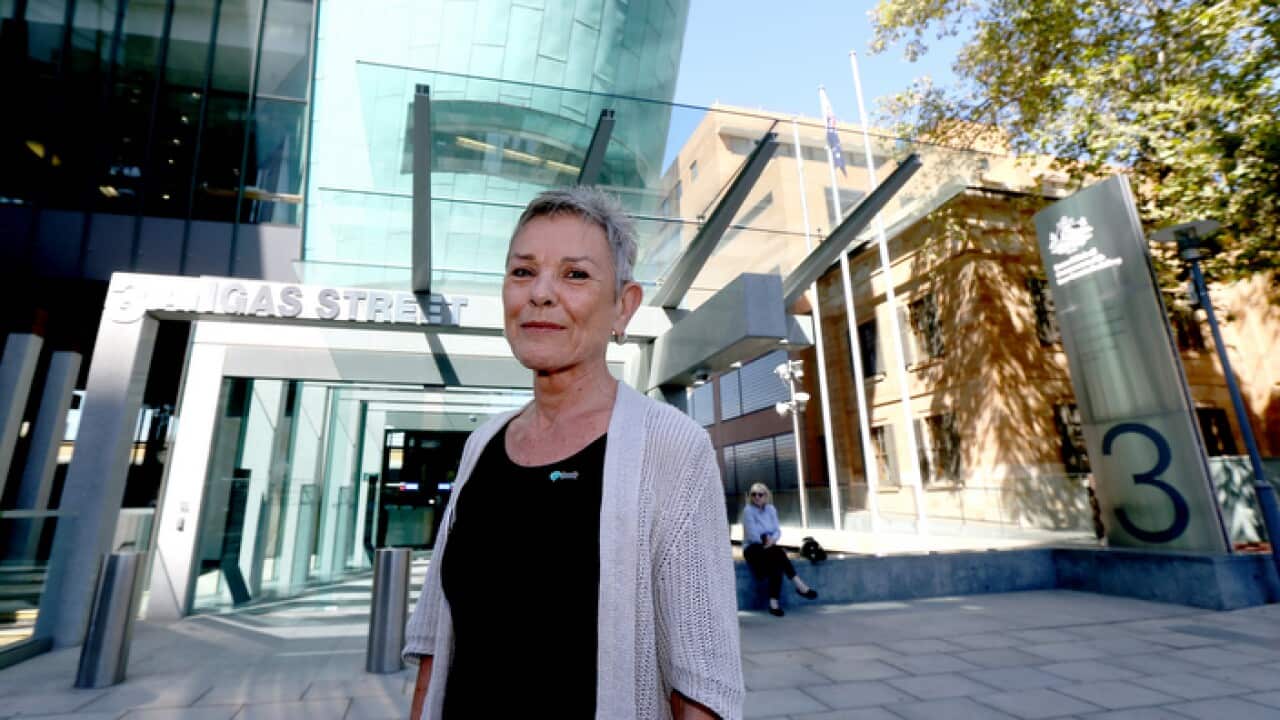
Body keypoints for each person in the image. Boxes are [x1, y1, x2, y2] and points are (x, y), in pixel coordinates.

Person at [403, 187, 743, 720]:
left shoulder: (672, 448)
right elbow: (432, 644)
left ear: (622, 307)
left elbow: (703, 685)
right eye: (522, 272)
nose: (540, 294)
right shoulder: (481, 446)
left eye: (575, 274)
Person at [741, 483, 818, 617]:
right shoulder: (748, 510)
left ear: (766, 496)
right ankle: (799, 585)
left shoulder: (771, 509)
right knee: (779, 553)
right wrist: (768, 540)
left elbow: (777, 530)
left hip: (769, 546)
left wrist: (771, 540)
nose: (757, 497)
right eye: (753, 494)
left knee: (777, 563)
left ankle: (774, 604)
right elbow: (753, 535)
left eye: (760, 494)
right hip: (752, 548)